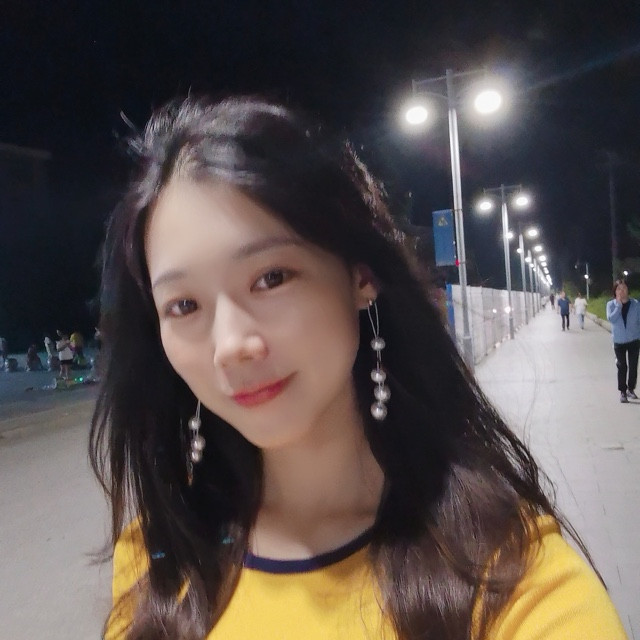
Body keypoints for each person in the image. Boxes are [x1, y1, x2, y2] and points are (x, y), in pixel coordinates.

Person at [90, 97, 627, 640]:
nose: (230, 346)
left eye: (271, 278)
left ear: (360, 277)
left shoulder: (509, 581)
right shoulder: (157, 561)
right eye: (184, 305)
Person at [606, 279, 640, 403]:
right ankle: (623, 391)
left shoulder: (635, 304)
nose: (622, 291)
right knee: (622, 366)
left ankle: (631, 389)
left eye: (624, 288)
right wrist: (618, 306)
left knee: (633, 366)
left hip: (634, 340)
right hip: (619, 341)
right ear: (615, 291)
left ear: (628, 290)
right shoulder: (611, 304)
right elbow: (611, 319)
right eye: (619, 289)